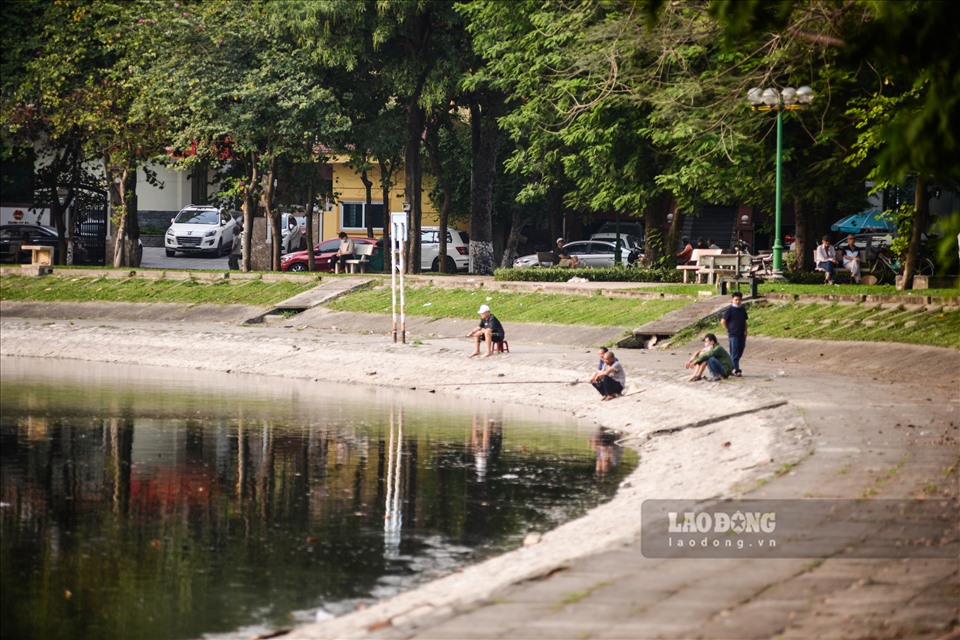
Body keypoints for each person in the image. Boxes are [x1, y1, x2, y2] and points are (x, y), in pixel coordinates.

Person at [720, 291, 748, 377]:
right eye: (736, 300)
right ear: (732, 299)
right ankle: (737, 370)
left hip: (741, 334)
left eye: (739, 300)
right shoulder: (730, 310)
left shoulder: (742, 309)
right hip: (733, 334)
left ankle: (728, 368)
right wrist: (728, 329)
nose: (738, 301)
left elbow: (745, 321)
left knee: (740, 351)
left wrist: (746, 330)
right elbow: (723, 321)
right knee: (735, 352)